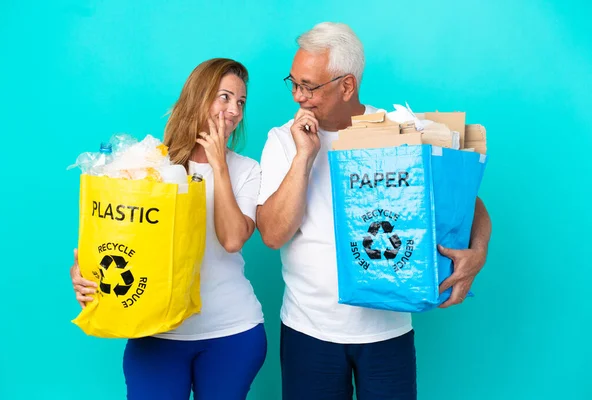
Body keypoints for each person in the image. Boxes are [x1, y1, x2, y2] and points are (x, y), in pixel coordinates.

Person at [256, 22, 492, 400]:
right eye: (294, 83)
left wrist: (477, 251)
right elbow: (272, 234)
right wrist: (304, 157)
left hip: (387, 333)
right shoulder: (283, 140)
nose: (298, 97)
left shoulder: (400, 134)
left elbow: (467, 200)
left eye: (309, 86)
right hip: (308, 331)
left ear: (347, 85)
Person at [70, 58, 267, 400]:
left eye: (240, 102)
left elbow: (233, 239)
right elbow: (116, 236)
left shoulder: (247, 170)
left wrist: (219, 165)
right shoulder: (150, 166)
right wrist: (83, 270)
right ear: (198, 97)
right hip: (156, 332)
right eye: (224, 97)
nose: (234, 110)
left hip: (232, 332)